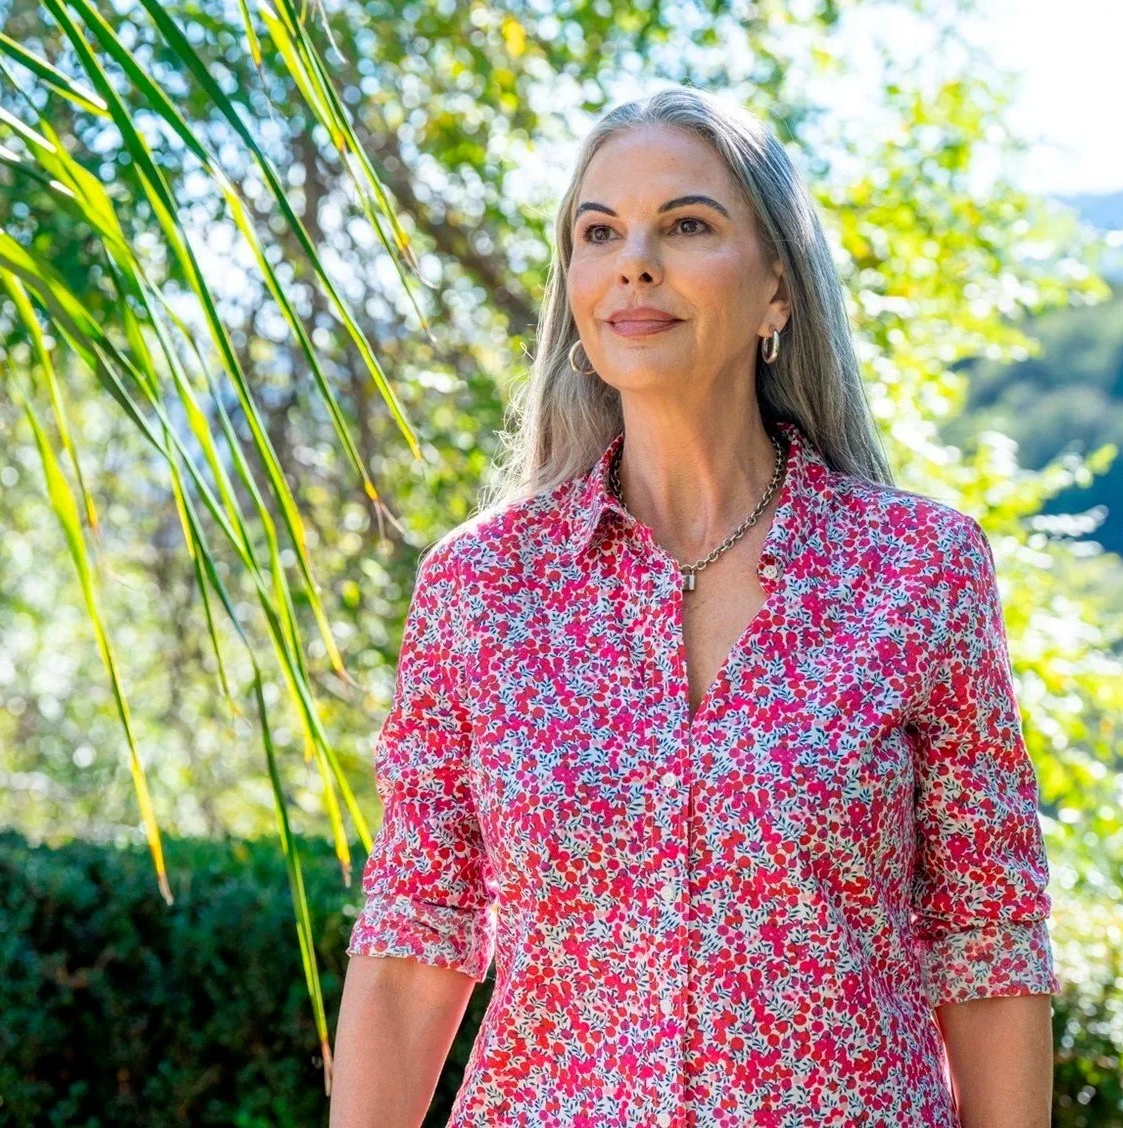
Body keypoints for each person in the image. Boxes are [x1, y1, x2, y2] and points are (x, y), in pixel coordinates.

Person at [328, 84, 1059, 1127]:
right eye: (599, 233)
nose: (634, 261)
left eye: (685, 225)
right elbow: (414, 941)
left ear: (777, 288)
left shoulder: (916, 569)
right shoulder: (478, 589)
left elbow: (986, 943)